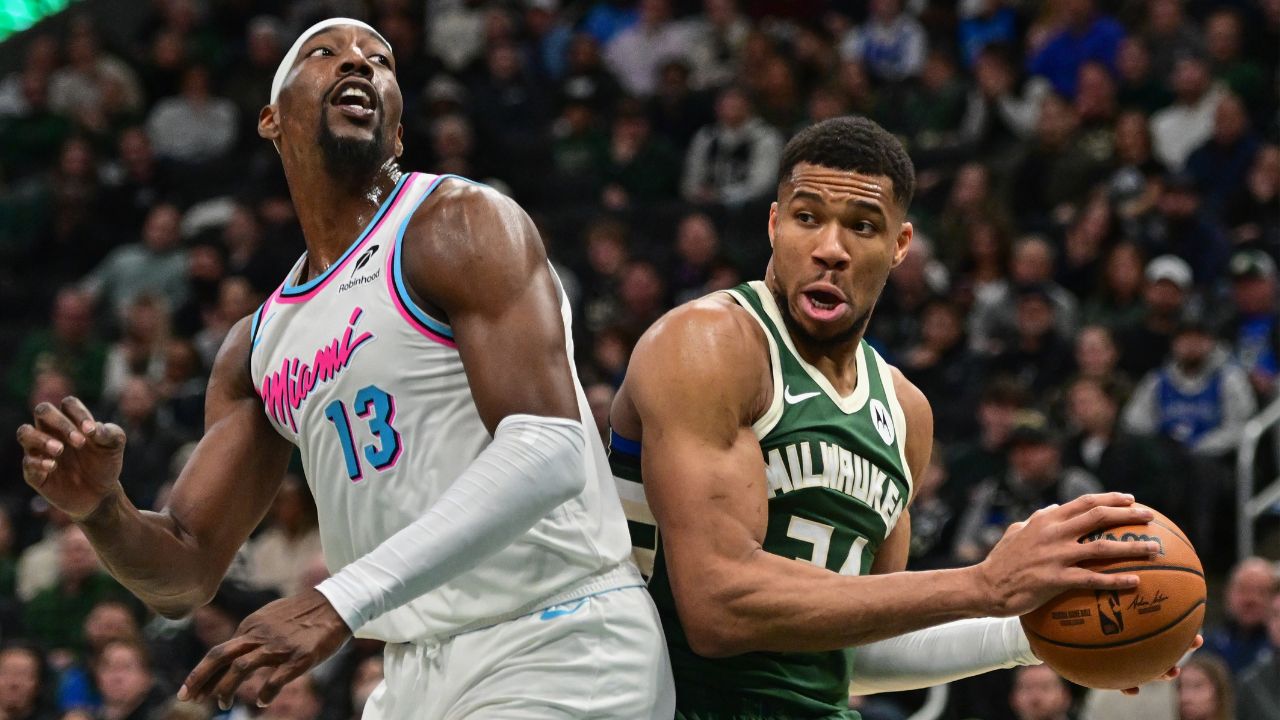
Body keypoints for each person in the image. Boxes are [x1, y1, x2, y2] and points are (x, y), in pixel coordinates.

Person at [18, 18, 672, 720]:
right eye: (324, 53)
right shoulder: (258, 344)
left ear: (395, 133)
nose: (357, 63)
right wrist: (103, 512)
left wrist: (340, 596)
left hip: (559, 636)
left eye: (379, 60)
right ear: (272, 119)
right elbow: (184, 571)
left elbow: (552, 448)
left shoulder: (456, 223)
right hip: (413, 667)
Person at [609, 116, 1189, 718]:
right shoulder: (710, 344)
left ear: (900, 246)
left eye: (862, 227)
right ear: (775, 225)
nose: (830, 249)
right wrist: (983, 586)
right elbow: (718, 607)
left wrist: (1045, 630)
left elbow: (859, 645)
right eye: (808, 218)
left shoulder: (905, 411)